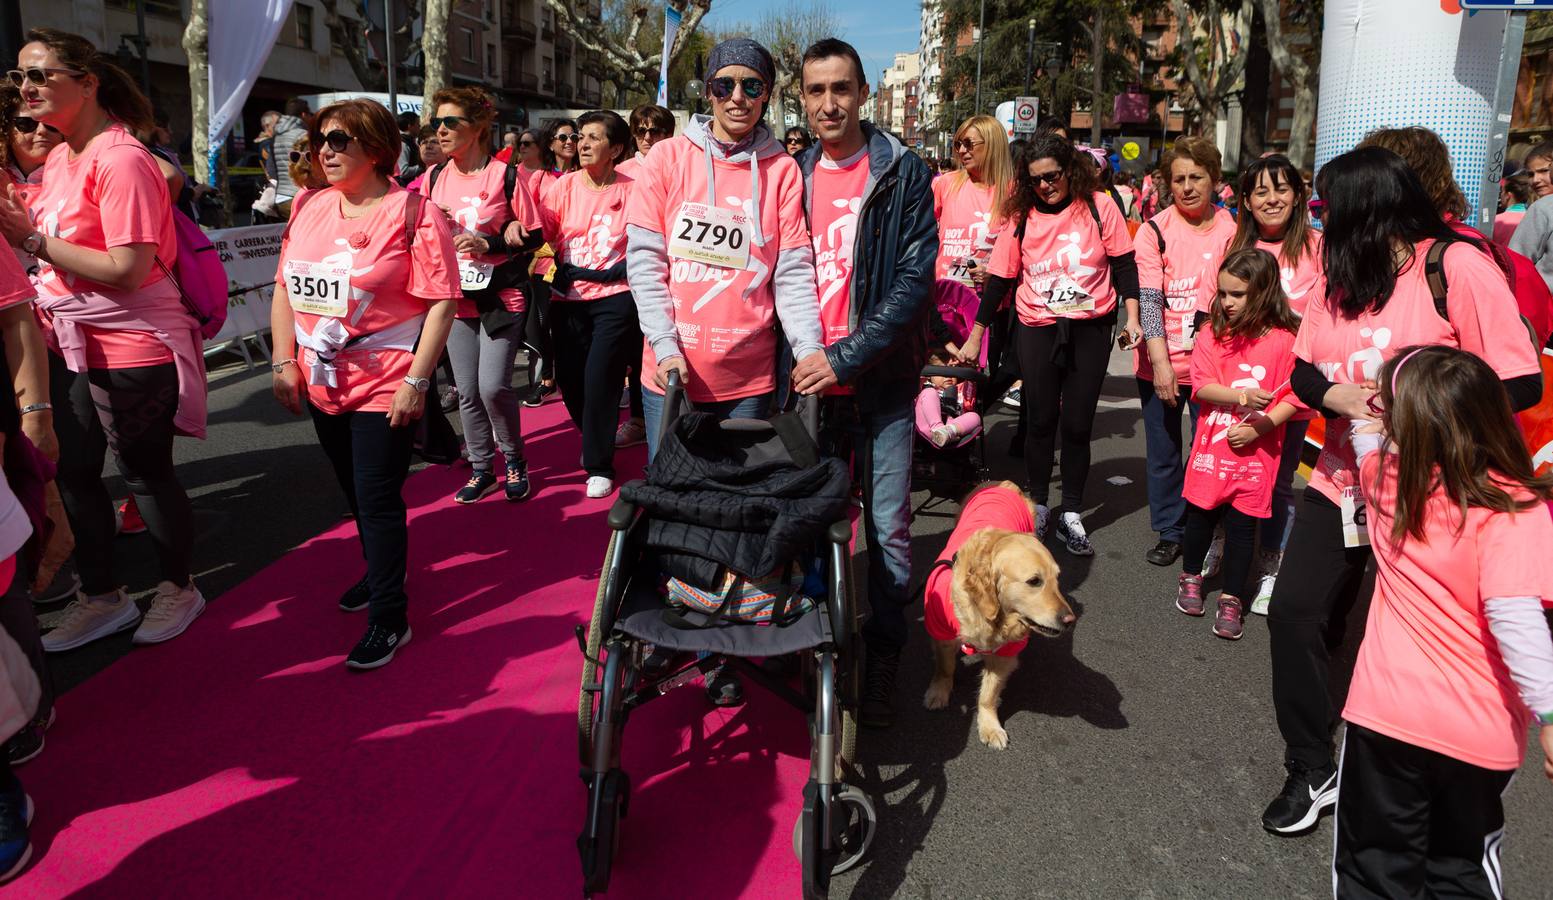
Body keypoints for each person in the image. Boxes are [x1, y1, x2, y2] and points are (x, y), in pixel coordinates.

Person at [1260, 146, 1542, 836]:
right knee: (1293, 613)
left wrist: (1413, 412)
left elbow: (1519, 380)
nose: (1317, 224)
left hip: (1434, 494)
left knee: (1405, 636)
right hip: (1339, 484)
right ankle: (1309, 766)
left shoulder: (1456, 267)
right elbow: (1301, 376)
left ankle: (1420, 772)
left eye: (1327, 209)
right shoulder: (1339, 274)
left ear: (1369, 208)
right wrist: (1334, 394)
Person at [626, 39, 825, 705]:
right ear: (705, 91)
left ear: (769, 92)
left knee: (736, 512)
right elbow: (645, 263)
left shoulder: (782, 171)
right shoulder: (667, 160)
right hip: (674, 377)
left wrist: (807, 348)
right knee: (672, 507)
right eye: (723, 85)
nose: (737, 97)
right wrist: (665, 343)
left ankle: (725, 625)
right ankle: (675, 625)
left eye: (751, 85)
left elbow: (794, 269)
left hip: (749, 378)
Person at [0, 28, 207, 652]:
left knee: (144, 474)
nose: (26, 88)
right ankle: (103, 598)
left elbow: (126, 268)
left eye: (40, 75)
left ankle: (180, 587)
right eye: (19, 78)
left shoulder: (120, 158)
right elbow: (57, 247)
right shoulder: (60, 157)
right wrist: (23, 230)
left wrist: (31, 239)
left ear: (87, 83)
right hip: (66, 338)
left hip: (133, 340)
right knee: (75, 472)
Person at [1333, 345, 1553, 897]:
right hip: (1478, 734)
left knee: (1371, 868)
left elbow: (1364, 436)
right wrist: (1549, 714)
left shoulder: (1388, 483)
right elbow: (1516, 619)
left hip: (1386, 718)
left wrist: (1366, 407)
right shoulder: (1515, 506)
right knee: (1461, 872)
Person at [269, 99, 461, 670]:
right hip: (320, 374)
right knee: (353, 491)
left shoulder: (413, 213)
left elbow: (442, 301)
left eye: (338, 141)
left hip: (386, 377)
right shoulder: (308, 205)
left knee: (376, 498)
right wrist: (284, 361)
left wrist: (418, 381)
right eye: (319, 141)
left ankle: (389, 615)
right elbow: (284, 287)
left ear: (376, 149)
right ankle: (382, 569)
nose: (323, 151)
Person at [794, 37, 936, 728]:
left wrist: (847, 356)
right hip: (804, 385)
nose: (829, 103)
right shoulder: (788, 173)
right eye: (816, 90)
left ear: (862, 92)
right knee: (810, 520)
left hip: (878, 383)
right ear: (801, 96)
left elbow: (913, 283)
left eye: (841, 88)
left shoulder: (903, 172)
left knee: (887, 527)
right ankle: (814, 639)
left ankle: (885, 648)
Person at [959, 134, 1137, 555]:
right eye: (1035, 179)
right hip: (1037, 326)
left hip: (1090, 327)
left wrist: (1134, 319)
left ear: (1069, 170)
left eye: (1052, 176)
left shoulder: (1098, 205)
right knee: (1039, 421)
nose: (1045, 186)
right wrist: (975, 334)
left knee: (1076, 425)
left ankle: (1071, 512)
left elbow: (1125, 263)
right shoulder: (1021, 215)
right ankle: (1038, 504)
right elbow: (1000, 277)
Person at [1176, 249, 1303, 640]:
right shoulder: (1212, 334)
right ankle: (1190, 577)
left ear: (1263, 293)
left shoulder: (1285, 341)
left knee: (1243, 527)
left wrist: (1259, 428)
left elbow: (1295, 398)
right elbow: (1201, 385)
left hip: (1257, 456)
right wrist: (1242, 398)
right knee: (1199, 518)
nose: (1226, 302)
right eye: (1223, 293)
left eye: (1237, 295)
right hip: (1212, 451)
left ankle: (1232, 598)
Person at [424, 86, 542, 505]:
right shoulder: (435, 177)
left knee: (493, 388)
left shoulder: (506, 176)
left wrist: (490, 244)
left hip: (500, 298)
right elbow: (419, 233)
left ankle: (514, 460)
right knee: (469, 392)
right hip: (455, 302)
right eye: (437, 122)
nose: (440, 129)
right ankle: (480, 468)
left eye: (449, 122)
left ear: (477, 128)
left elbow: (534, 237)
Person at [1225, 155, 1324, 614]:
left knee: (1281, 485)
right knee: (1233, 476)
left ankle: (1271, 567)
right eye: (1261, 191)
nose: (1272, 199)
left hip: (1293, 393)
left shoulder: (1319, 249)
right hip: (1241, 388)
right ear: (1246, 200)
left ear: (1299, 195)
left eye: (1281, 189)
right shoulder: (1236, 243)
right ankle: (1228, 555)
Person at [1133, 136, 1238, 567]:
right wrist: (1161, 367)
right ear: (1167, 183)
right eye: (1179, 179)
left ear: (1215, 180)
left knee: (1207, 453)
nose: (1188, 187)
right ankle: (1170, 530)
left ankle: (1205, 528)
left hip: (1214, 369)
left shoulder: (1233, 229)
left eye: (1197, 177)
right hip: (1161, 362)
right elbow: (1151, 301)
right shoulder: (1153, 231)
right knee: (1164, 453)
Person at [541, 109, 635, 498]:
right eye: (581, 136)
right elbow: (540, 244)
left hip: (616, 297)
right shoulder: (561, 188)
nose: (583, 144)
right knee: (571, 382)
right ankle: (595, 434)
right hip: (567, 299)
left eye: (594, 138)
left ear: (615, 149)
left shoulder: (632, 188)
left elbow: (649, 239)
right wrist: (550, 270)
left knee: (601, 378)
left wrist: (626, 268)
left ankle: (598, 462)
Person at [614, 106, 674, 449]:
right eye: (641, 131)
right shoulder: (622, 172)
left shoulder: (680, 163)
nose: (649, 138)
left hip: (672, 274)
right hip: (624, 276)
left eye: (656, 131)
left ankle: (652, 417)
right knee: (634, 354)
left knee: (657, 348)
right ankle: (638, 417)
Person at [519, 118, 580, 410]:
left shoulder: (589, 174)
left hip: (581, 259)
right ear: (551, 144)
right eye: (563, 137)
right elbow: (529, 223)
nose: (569, 142)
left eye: (574, 136)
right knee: (543, 321)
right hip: (545, 259)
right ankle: (546, 380)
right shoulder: (538, 179)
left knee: (578, 322)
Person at [916, 346, 979, 448]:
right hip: (926, 428)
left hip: (951, 426)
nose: (948, 376)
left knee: (974, 416)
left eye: (952, 372)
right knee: (929, 393)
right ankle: (938, 429)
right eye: (942, 373)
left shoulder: (961, 389)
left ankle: (946, 432)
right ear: (929, 375)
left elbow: (972, 382)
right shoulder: (925, 385)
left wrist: (968, 366)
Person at [271, 97, 309, 218]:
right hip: (298, 195)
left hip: (280, 195)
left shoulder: (277, 136)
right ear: (303, 114)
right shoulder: (302, 135)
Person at [1495, 172, 1534, 246]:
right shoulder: (1534, 219)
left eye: (1502, 191)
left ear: (1508, 195)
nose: (1501, 195)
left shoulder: (1497, 221)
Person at [403, 124, 443, 194]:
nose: (428, 146)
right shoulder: (412, 187)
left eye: (434, 142)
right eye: (424, 142)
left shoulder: (453, 180)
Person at [395, 111, 420, 176]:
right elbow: (403, 171)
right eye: (417, 124)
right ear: (410, 126)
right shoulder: (403, 143)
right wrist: (422, 167)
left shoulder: (411, 141)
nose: (419, 126)